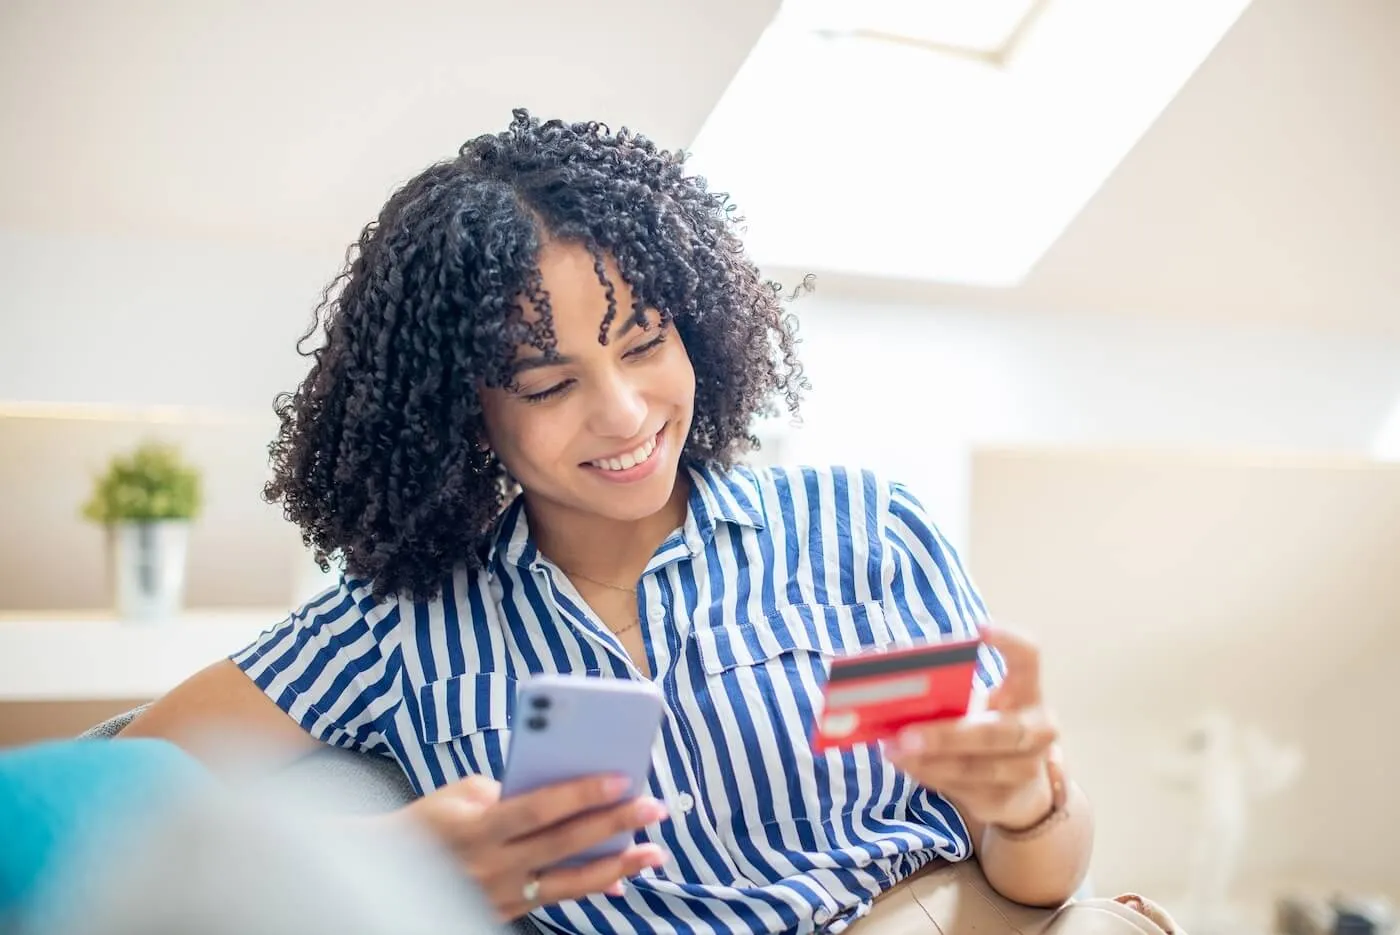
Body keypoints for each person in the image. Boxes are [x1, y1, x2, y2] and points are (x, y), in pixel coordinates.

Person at [121, 109, 1178, 934]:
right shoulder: (397, 622)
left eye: (641, 342)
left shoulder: (860, 531)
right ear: (460, 408)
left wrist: (1028, 805)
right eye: (546, 382)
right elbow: (102, 797)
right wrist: (379, 856)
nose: (623, 414)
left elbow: (1034, 875)